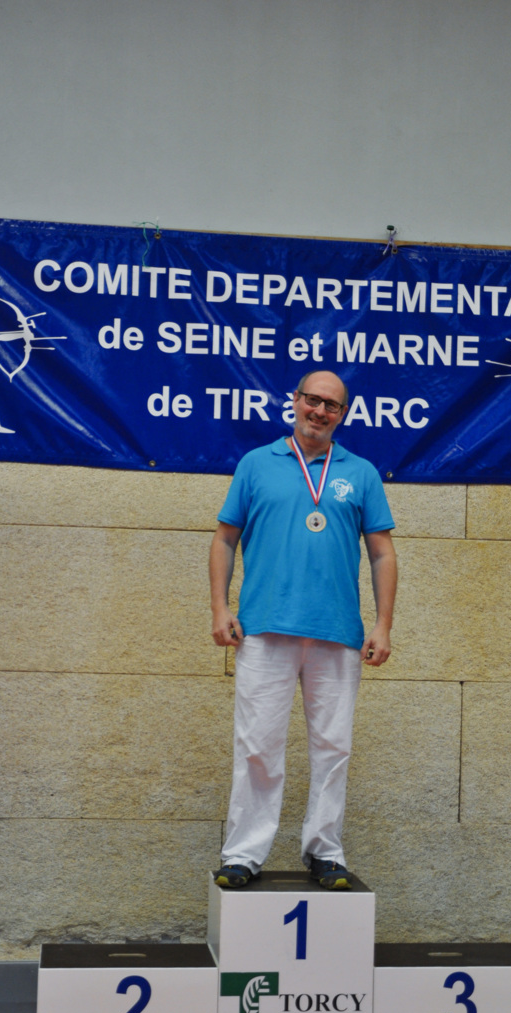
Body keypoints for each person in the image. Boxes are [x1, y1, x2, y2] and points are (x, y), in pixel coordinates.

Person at [209, 369, 397, 890]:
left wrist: (383, 624)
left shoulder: (361, 473)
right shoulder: (256, 463)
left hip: (337, 632)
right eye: (312, 400)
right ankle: (243, 853)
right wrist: (219, 608)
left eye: (331, 405)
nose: (320, 411)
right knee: (257, 745)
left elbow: (382, 553)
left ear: (343, 414)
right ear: (295, 401)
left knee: (334, 748)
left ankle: (325, 851)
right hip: (265, 628)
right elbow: (224, 539)